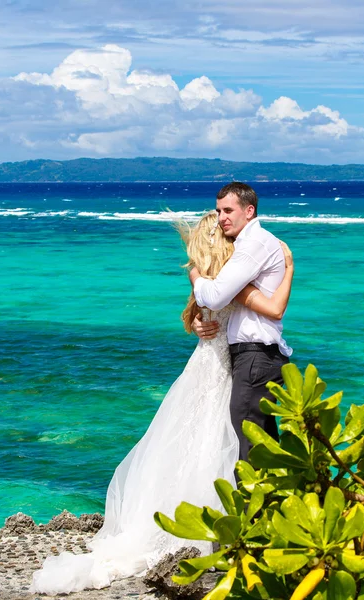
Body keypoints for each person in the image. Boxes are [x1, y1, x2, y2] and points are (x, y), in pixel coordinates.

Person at [31, 211, 293, 595]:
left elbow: (197, 316)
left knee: (202, 443)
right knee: (221, 443)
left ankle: (218, 523)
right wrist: (287, 269)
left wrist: (201, 314)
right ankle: (230, 526)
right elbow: (265, 309)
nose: (228, 232)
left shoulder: (212, 279)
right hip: (221, 369)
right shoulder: (225, 282)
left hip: (215, 368)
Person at [190, 182, 293, 462]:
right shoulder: (244, 247)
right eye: (218, 210)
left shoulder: (253, 246)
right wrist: (200, 322)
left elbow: (216, 296)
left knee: (245, 446)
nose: (222, 217)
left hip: (256, 356)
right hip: (252, 357)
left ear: (249, 211)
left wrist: (195, 274)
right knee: (261, 443)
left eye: (228, 210)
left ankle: (251, 506)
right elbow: (216, 306)